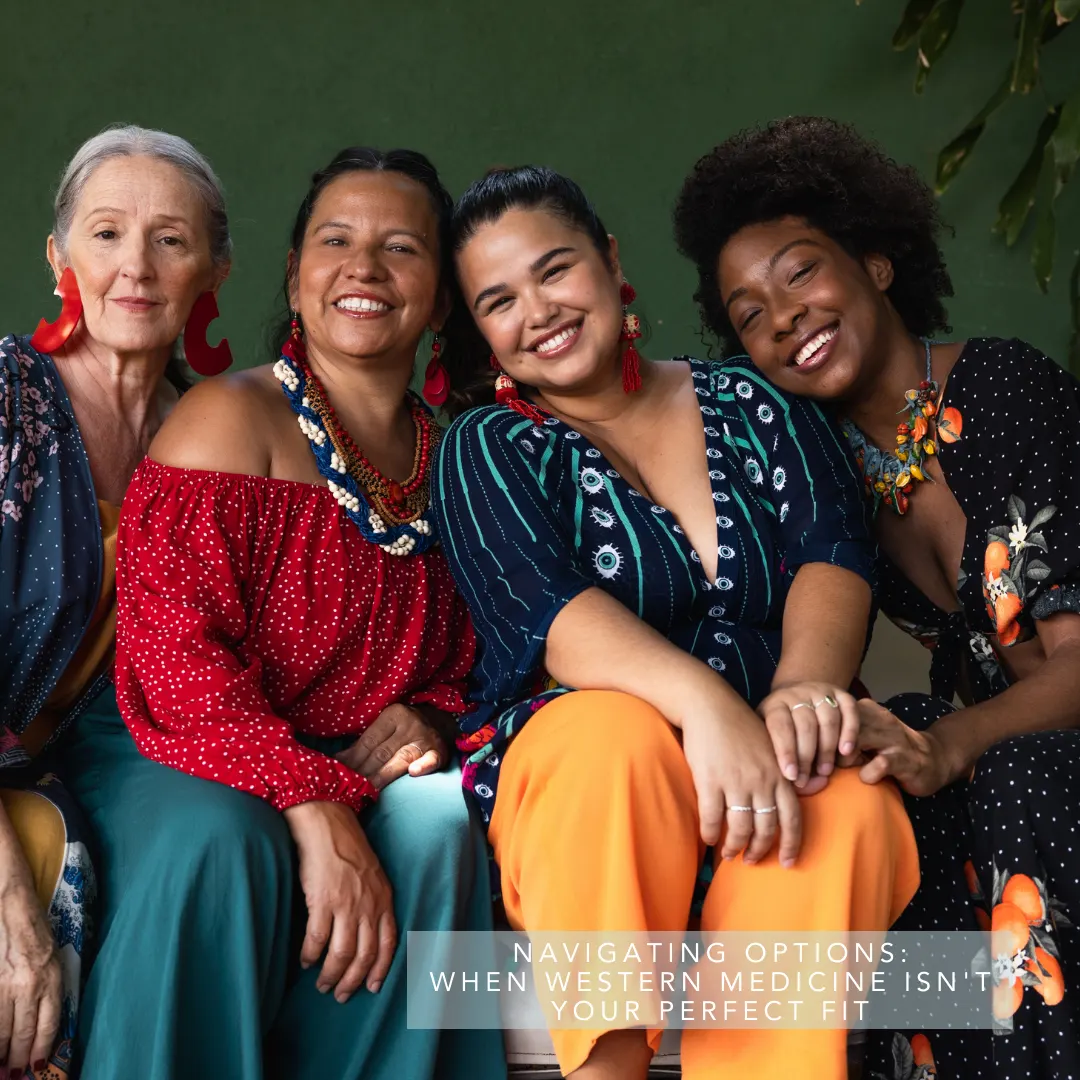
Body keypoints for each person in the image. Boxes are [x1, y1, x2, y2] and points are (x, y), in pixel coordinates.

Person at [432, 164, 920, 1080]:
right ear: (482, 333)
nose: (538, 310)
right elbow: (551, 617)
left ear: (609, 260)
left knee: (842, 791)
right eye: (498, 300)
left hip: (777, 742)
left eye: (555, 269)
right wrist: (709, 710)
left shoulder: (755, 400)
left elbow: (832, 550)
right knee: (604, 735)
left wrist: (801, 691)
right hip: (597, 780)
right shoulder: (486, 448)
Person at [674, 114, 1080, 1079]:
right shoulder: (832, 487)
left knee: (999, 770)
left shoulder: (1009, 388)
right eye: (748, 313)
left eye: (802, 273)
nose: (784, 317)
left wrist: (948, 745)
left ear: (878, 265)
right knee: (871, 771)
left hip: (1042, 758)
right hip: (996, 761)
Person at [106, 146, 507, 1080]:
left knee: (441, 824)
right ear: (296, 276)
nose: (363, 267)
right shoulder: (227, 418)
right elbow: (173, 655)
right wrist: (307, 793)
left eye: (400, 247)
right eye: (336, 240)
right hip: (190, 738)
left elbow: (497, 648)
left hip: (359, 757)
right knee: (225, 841)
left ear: (441, 299)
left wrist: (436, 716)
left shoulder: (454, 458)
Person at [0, 124, 232, 1080]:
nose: (134, 266)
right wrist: (10, 899)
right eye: (105, 234)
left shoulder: (217, 438)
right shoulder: (9, 397)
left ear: (213, 267)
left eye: (171, 240)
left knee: (214, 841)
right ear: (60, 257)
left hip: (102, 771)